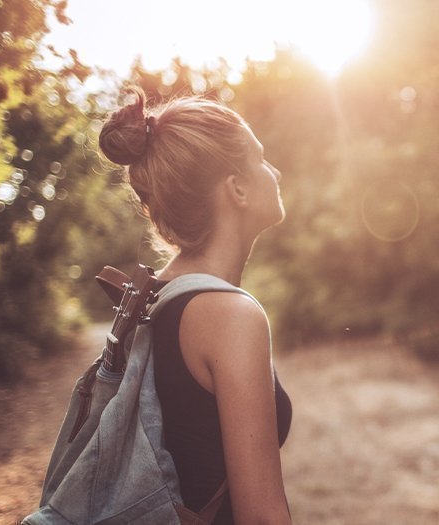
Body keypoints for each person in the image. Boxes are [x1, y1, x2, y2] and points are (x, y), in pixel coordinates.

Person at [98, 86, 293, 525]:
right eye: (260, 158)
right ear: (238, 188)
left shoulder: (154, 294)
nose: (274, 171)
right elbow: (262, 517)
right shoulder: (230, 316)